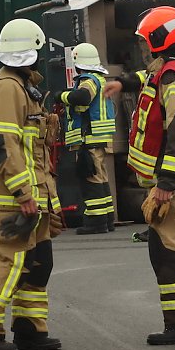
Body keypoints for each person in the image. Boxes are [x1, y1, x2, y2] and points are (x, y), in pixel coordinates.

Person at [104, 6, 175, 345]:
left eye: (147, 42)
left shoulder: (172, 76)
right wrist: (123, 82)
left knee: (167, 249)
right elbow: (150, 77)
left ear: (161, 39)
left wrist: (166, 184)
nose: (145, 49)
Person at [0, 19, 63, 350]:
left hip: (35, 193)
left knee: (39, 261)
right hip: (15, 196)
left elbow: (35, 148)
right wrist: (23, 193)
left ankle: (30, 328)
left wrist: (49, 198)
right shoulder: (7, 87)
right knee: (12, 259)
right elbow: (3, 143)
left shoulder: (23, 87)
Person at [58, 43, 117, 235]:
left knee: (90, 178)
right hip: (98, 137)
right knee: (100, 178)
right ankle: (107, 219)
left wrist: (62, 96)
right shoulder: (100, 79)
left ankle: (96, 221)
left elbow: (82, 97)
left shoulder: (88, 80)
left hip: (88, 138)